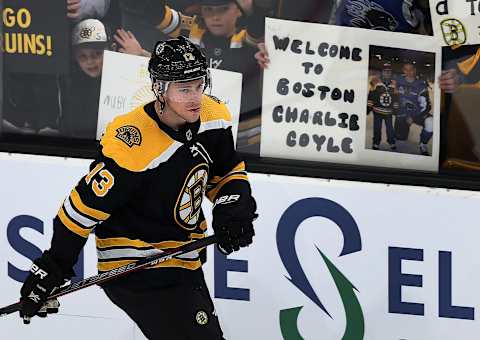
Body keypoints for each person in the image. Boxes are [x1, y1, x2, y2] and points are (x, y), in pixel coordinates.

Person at [18, 36, 258, 340]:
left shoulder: (214, 116)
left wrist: (233, 208)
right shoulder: (131, 143)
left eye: (199, 85)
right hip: (135, 266)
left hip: (182, 258)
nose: (195, 97)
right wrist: (52, 267)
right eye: (184, 89)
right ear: (159, 89)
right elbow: (79, 211)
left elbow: (226, 172)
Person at [393, 61, 432, 156]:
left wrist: (413, 117)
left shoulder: (421, 85)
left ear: (414, 70)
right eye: (406, 69)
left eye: (411, 69)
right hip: (402, 114)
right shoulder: (397, 81)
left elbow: (426, 106)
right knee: (400, 139)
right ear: (403, 70)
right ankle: (403, 129)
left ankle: (423, 144)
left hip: (416, 113)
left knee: (431, 121)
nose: (408, 72)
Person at [367, 62, 398, 151]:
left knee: (390, 128)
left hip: (388, 112)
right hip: (377, 111)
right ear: (382, 72)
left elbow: (396, 98)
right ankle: (376, 142)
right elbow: (371, 96)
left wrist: (395, 108)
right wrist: (369, 107)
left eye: (389, 71)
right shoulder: (376, 83)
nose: (387, 73)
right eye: (385, 71)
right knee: (377, 128)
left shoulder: (394, 84)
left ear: (391, 73)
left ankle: (391, 141)